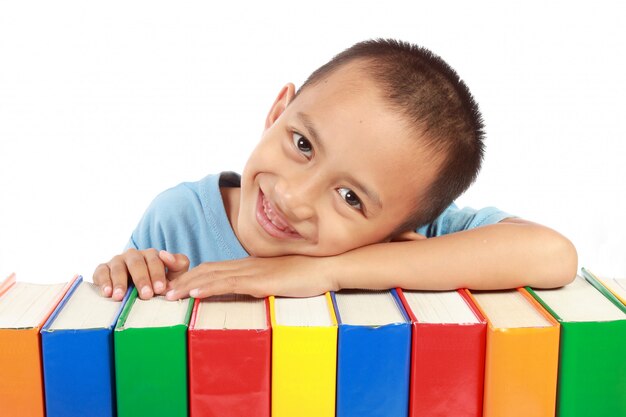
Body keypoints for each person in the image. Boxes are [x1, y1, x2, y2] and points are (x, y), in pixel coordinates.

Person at [93, 39, 577, 302]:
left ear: (399, 230)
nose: (294, 198)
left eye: (351, 199)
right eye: (302, 143)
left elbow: (553, 254)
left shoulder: (422, 240)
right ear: (278, 110)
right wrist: (127, 273)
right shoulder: (179, 221)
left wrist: (330, 271)